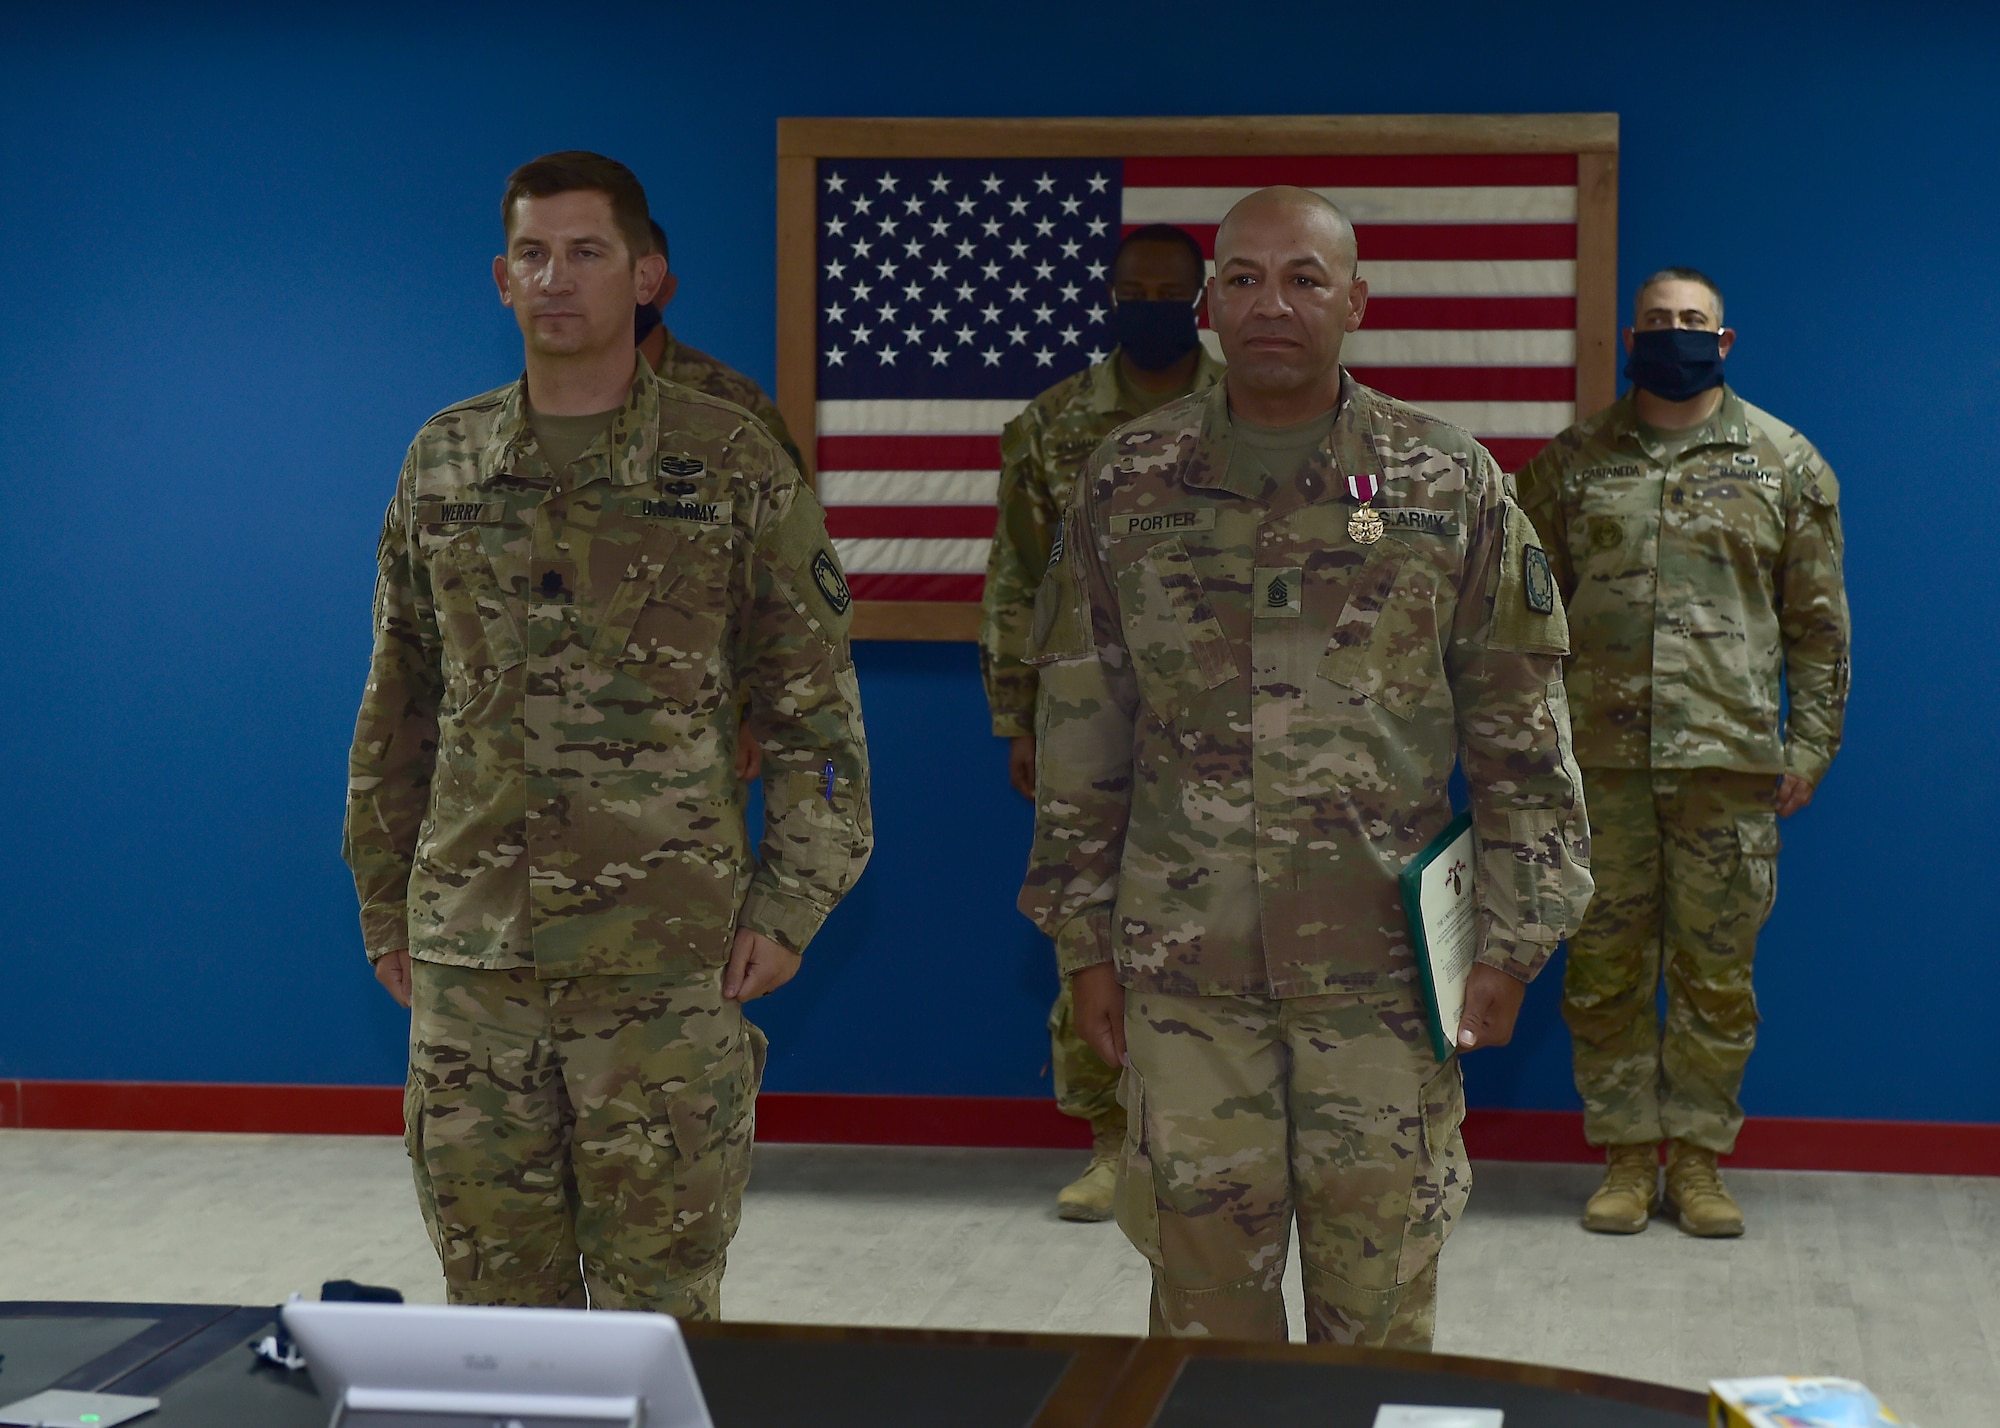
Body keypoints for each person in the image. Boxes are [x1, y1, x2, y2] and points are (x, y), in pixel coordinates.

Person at [1018, 186, 1593, 1347]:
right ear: (1207, 304)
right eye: (1241, 279)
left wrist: (1514, 941)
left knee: (1375, 1310)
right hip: (1186, 975)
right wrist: (1081, 941)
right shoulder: (1126, 484)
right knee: (1204, 1317)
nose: (1269, 304)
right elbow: (1083, 731)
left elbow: (1519, 737)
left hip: (1381, 979)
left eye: (1302, 279)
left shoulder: (1449, 483)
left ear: (1355, 302)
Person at [343, 151, 872, 1317]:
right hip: (475, 960)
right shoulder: (444, 461)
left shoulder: (727, 460)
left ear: (647, 276)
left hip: (666, 959)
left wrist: (790, 905)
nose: (556, 279)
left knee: (661, 1314)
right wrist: (389, 905)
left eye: (586, 253)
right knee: (494, 1311)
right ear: (499, 278)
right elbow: (400, 707)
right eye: (532, 254)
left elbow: (814, 713)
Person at [1516, 268, 1849, 1239]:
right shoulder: (1571, 462)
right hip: (1600, 765)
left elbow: (1818, 629)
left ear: (1724, 339)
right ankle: (1624, 1158)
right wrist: (1534, 749)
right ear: (1630, 335)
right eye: (1657, 322)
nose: (1673, 335)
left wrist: (1809, 745)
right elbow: (1522, 615)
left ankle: (1697, 1163)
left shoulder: (1785, 463)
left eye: (1690, 322)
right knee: (1604, 969)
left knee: (1713, 974)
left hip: (1729, 765)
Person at [978, 223, 1225, 1222]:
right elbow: (1014, 578)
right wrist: (1017, 718)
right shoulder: (1052, 424)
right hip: (1091, 717)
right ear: (1109, 295)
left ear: (1200, 299)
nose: (1151, 303)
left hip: (1226, 716)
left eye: (1171, 289)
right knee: (1088, 922)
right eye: (1134, 288)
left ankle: (1208, 1134)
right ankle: (1109, 1137)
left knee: (1224, 921)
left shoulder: (1247, 409)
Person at [637, 218, 805, 473]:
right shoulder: (558, 394)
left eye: (638, 278)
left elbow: (788, 509)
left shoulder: (736, 403)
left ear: (665, 290)